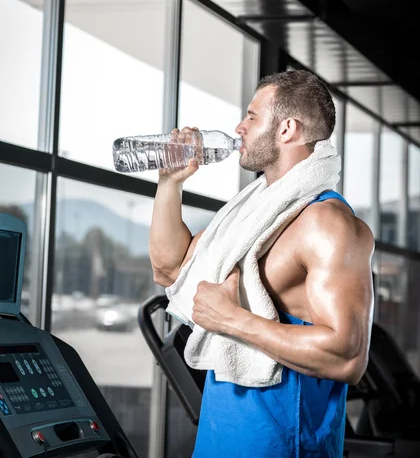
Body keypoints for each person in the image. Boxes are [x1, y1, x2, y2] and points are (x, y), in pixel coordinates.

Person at [149, 70, 374, 457]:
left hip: (284, 445)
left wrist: (232, 320)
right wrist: (170, 184)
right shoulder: (252, 216)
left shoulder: (327, 223)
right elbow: (170, 270)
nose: (239, 127)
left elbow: (347, 356)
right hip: (221, 437)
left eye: (252, 116)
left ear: (287, 128)